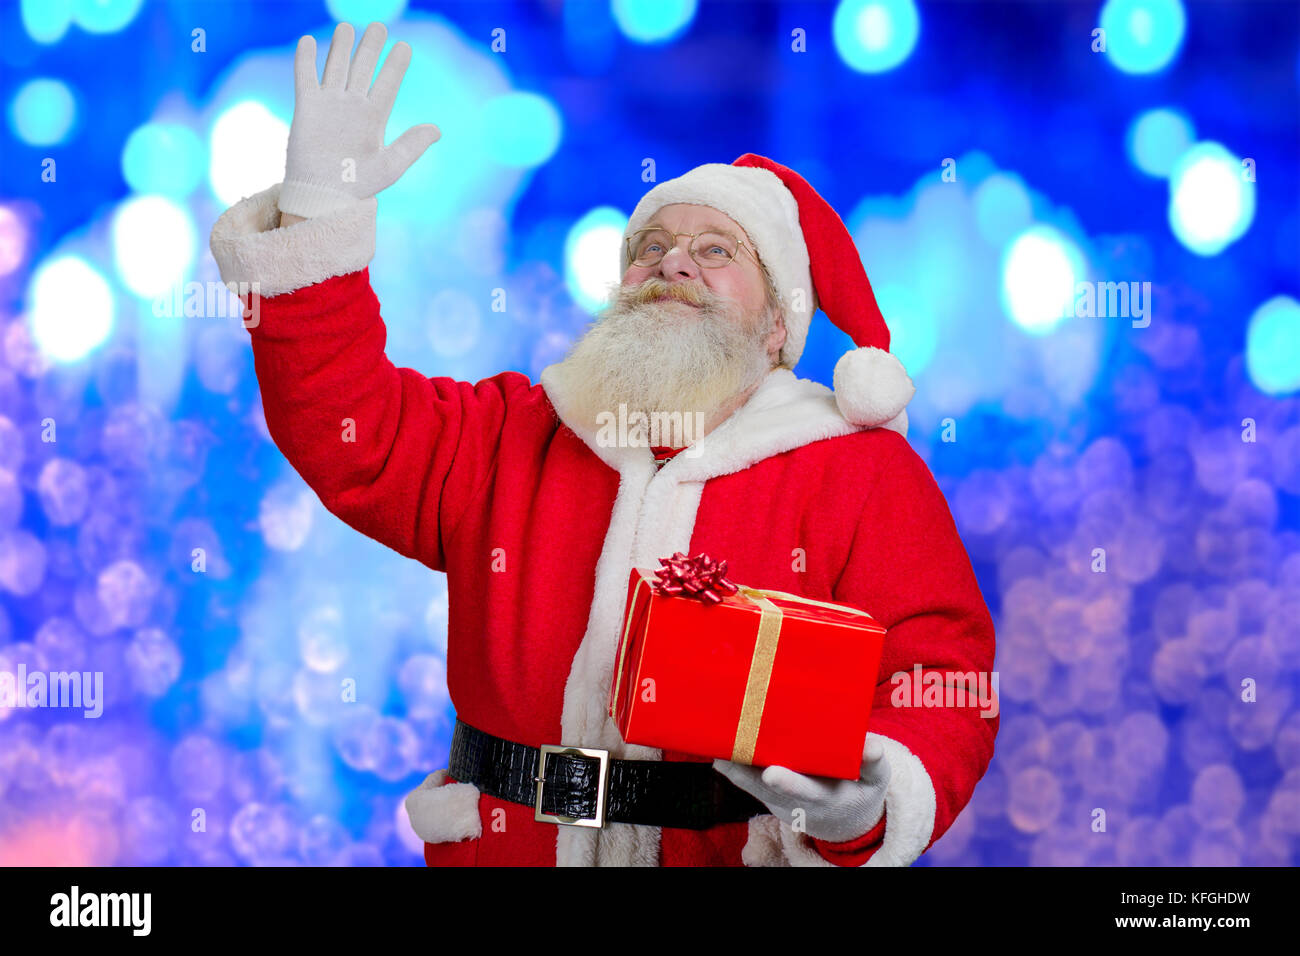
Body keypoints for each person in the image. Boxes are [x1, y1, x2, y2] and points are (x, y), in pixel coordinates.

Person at [209, 21, 998, 867]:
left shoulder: (859, 472)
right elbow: (345, 428)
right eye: (650, 248)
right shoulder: (514, 432)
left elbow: (941, 677)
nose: (672, 264)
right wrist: (321, 214)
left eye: (715, 251)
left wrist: (867, 804)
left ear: (779, 326)